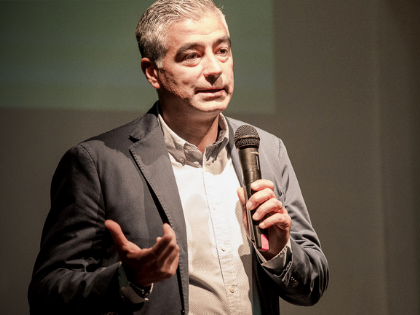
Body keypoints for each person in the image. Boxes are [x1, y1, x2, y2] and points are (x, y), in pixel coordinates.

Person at [28, 0, 328, 314]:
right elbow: (48, 293)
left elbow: (312, 286)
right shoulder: (98, 162)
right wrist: (126, 280)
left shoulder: (267, 149)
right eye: (191, 55)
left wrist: (280, 253)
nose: (214, 69)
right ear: (152, 72)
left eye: (222, 50)